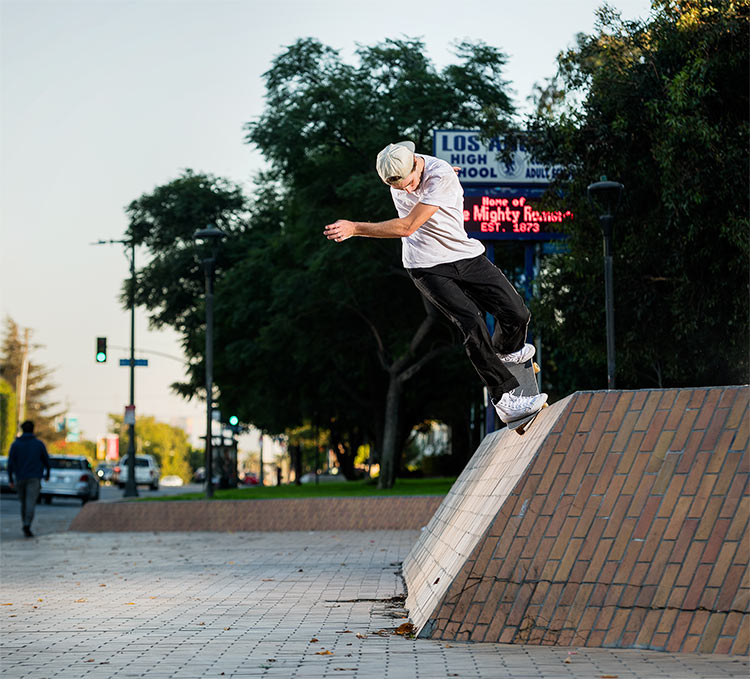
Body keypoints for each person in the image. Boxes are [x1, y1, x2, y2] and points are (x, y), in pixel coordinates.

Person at [323, 140, 547, 423]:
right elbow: (411, 214)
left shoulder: (440, 174)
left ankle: (503, 354)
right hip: (426, 266)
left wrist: (355, 228)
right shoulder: (408, 173)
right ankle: (504, 398)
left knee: (517, 313)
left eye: (411, 182)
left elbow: (406, 226)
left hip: (464, 256)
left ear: (417, 163)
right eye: (399, 187)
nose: (407, 190)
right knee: (471, 321)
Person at [7, 420, 51, 538]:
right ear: (33, 430)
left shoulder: (15, 445)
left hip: (20, 477)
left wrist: (11, 479)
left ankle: (25, 523)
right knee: (30, 502)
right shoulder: (38, 444)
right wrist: (47, 474)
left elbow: (10, 463)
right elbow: (46, 460)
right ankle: (27, 524)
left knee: (23, 502)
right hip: (34, 477)